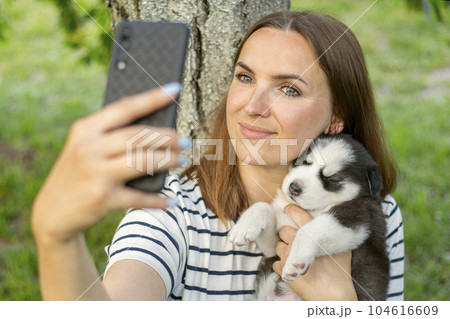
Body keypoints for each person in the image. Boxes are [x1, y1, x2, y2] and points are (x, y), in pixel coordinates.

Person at [32, 11, 404, 301]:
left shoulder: (378, 213)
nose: (253, 106)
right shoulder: (170, 210)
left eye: (288, 89)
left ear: (336, 118)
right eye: (245, 78)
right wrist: (56, 240)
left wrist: (342, 303)